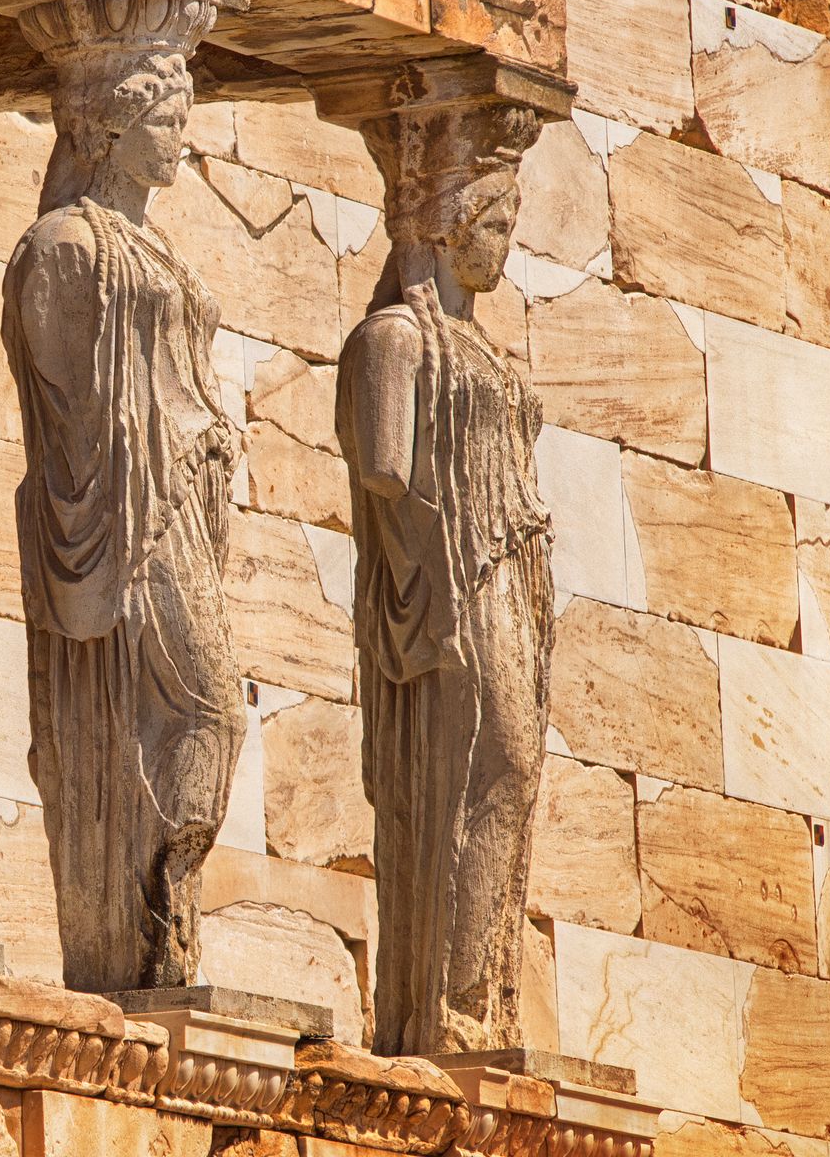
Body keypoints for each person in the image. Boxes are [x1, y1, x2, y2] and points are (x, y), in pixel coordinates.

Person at [0, 3, 243, 991]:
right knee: (203, 702)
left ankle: (162, 908)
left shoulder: (154, 251)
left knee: (209, 709)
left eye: (182, 117)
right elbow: (59, 408)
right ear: (107, 126)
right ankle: (136, 920)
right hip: (122, 519)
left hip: (184, 504)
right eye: (164, 120)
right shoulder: (63, 245)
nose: (181, 138)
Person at [336, 104, 551, 1055]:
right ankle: (442, 1003)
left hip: (512, 573)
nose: (505, 246)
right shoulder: (394, 338)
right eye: (494, 225)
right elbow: (383, 469)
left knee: (514, 764)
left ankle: (482, 993)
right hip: (449, 582)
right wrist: (436, 583)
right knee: (483, 758)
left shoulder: (485, 352)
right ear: (448, 225)